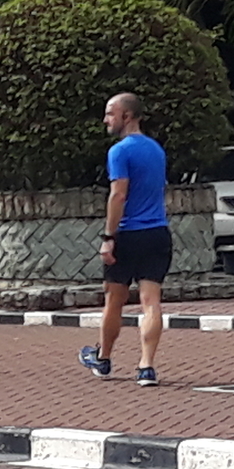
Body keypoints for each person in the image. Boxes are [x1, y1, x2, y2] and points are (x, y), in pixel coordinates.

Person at [78, 92, 172, 385]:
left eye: (110, 113)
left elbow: (118, 194)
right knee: (151, 301)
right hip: (157, 233)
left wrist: (109, 236)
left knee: (114, 300)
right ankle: (146, 366)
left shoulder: (119, 151)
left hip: (128, 234)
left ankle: (104, 358)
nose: (106, 119)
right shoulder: (156, 150)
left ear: (126, 116)